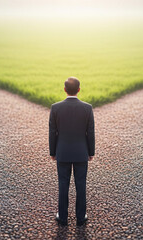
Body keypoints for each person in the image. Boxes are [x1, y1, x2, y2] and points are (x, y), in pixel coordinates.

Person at [49, 76, 95, 226]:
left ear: (64, 90)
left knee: (63, 184)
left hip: (62, 152)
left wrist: (52, 152)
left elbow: (52, 132)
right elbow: (90, 132)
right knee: (81, 184)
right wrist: (91, 151)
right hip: (81, 152)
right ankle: (81, 218)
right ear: (79, 90)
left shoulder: (55, 108)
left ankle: (62, 217)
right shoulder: (87, 108)